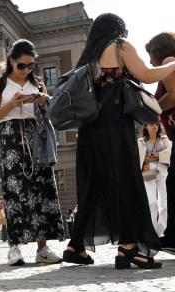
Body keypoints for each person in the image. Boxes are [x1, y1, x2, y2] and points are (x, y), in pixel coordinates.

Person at [62, 13, 175, 270]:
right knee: (126, 182)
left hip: (89, 129)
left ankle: (75, 246)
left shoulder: (89, 56)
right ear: (118, 29)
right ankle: (129, 247)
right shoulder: (119, 46)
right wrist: (173, 65)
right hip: (114, 125)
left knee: (93, 187)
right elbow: (146, 75)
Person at [0, 39, 65, 266]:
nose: (27, 70)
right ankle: (14, 248)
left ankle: (43, 248)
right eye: (22, 65)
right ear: (11, 61)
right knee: (14, 191)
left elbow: (48, 113)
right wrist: (11, 104)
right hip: (11, 138)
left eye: (30, 65)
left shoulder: (38, 82)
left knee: (43, 189)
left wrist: (42, 101)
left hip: (37, 136)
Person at [146, 31, 175, 253]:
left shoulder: (169, 61)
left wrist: (150, 110)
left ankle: (172, 237)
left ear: (159, 51)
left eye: (150, 55)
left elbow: (174, 95)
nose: (149, 62)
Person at [137, 122, 171, 236]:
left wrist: (152, 156)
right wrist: (159, 155)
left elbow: (169, 152)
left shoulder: (165, 139)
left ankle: (162, 232)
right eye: (151, 124)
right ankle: (152, 231)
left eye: (156, 124)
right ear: (146, 126)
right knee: (152, 202)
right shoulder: (141, 142)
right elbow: (141, 158)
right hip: (148, 171)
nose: (155, 126)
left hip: (163, 169)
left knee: (164, 203)